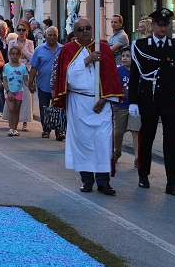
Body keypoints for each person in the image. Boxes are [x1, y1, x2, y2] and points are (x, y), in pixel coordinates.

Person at [53, 17, 123, 196]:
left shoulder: (103, 48)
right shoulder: (68, 50)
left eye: (88, 28)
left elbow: (111, 76)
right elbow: (66, 76)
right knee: (82, 143)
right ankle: (87, 180)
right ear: (75, 32)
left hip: (101, 103)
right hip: (78, 102)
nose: (85, 31)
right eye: (81, 29)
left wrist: (105, 98)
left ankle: (103, 182)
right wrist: (87, 60)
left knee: (102, 142)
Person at [128, 8, 175, 197]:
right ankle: (143, 175)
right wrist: (133, 101)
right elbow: (135, 76)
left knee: (171, 142)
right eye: (159, 24)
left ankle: (172, 183)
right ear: (153, 25)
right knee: (147, 139)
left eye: (166, 24)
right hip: (149, 99)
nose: (163, 28)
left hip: (171, 100)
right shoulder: (141, 46)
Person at [28, 26, 63, 140]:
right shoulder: (39, 49)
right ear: (45, 36)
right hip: (43, 84)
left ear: (58, 36)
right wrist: (30, 82)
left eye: (54, 35)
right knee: (44, 108)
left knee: (58, 108)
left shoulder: (63, 49)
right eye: (50, 35)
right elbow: (34, 67)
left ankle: (59, 131)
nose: (52, 37)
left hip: (59, 86)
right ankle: (46, 130)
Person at [112, 46, 140, 169]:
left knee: (135, 131)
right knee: (118, 132)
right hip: (120, 105)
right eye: (123, 56)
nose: (124, 58)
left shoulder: (138, 71)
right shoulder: (118, 71)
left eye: (128, 56)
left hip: (135, 106)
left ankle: (138, 157)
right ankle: (117, 151)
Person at [7, 20, 35, 131]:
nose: (21, 32)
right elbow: (11, 58)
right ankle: (13, 123)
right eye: (19, 30)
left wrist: (22, 48)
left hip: (25, 72)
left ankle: (25, 122)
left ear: (27, 31)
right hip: (14, 72)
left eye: (23, 30)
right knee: (13, 97)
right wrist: (23, 61)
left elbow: (32, 58)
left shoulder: (30, 43)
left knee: (26, 97)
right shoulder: (12, 42)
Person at [2, 46, 28, 136]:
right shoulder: (6, 66)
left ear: (20, 55)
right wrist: (8, 91)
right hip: (9, 91)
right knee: (11, 108)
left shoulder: (23, 67)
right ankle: (10, 128)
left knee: (16, 110)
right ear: (9, 55)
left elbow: (26, 81)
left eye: (17, 54)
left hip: (19, 91)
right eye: (13, 54)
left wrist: (31, 85)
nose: (15, 56)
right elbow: (4, 80)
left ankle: (15, 129)